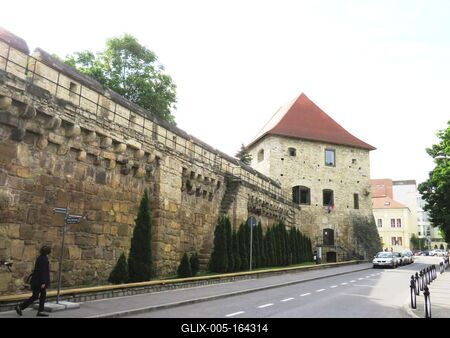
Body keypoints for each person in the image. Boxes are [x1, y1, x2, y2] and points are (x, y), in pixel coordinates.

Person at [15, 245, 51, 317]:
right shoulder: (43, 259)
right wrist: (43, 282)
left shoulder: (41, 258)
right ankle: (38, 311)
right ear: (47, 252)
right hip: (39, 282)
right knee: (40, 295)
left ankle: (21, 307)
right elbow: (43, 271)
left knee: (37, 296)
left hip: (36, 281)